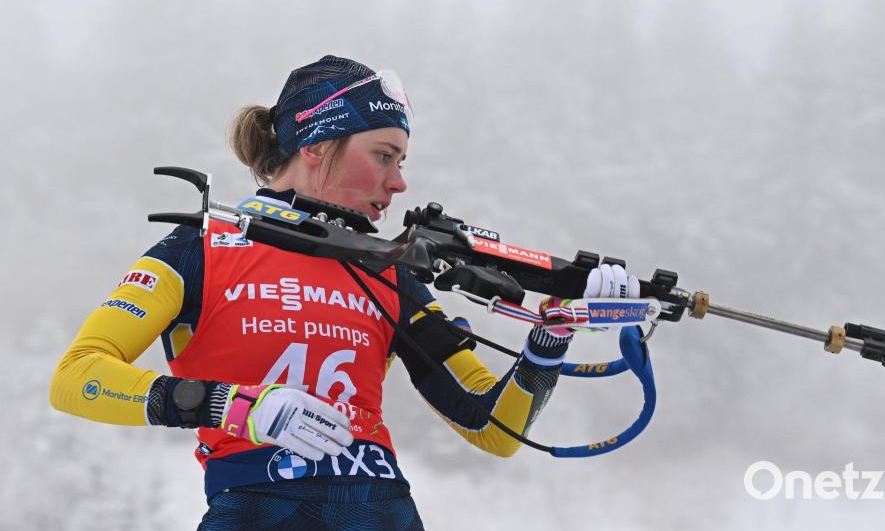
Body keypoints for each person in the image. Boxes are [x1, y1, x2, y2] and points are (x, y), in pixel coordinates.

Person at [49, 55, 640, 530]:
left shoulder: (387, 271)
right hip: (258, 504)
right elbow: (77, 378)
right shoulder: (202, 247)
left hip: (383, 510)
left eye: (402, 160)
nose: (399, 182)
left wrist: (548, 342)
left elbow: (493, 428)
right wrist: (229, 405)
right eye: (383, 156)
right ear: (314, 146)